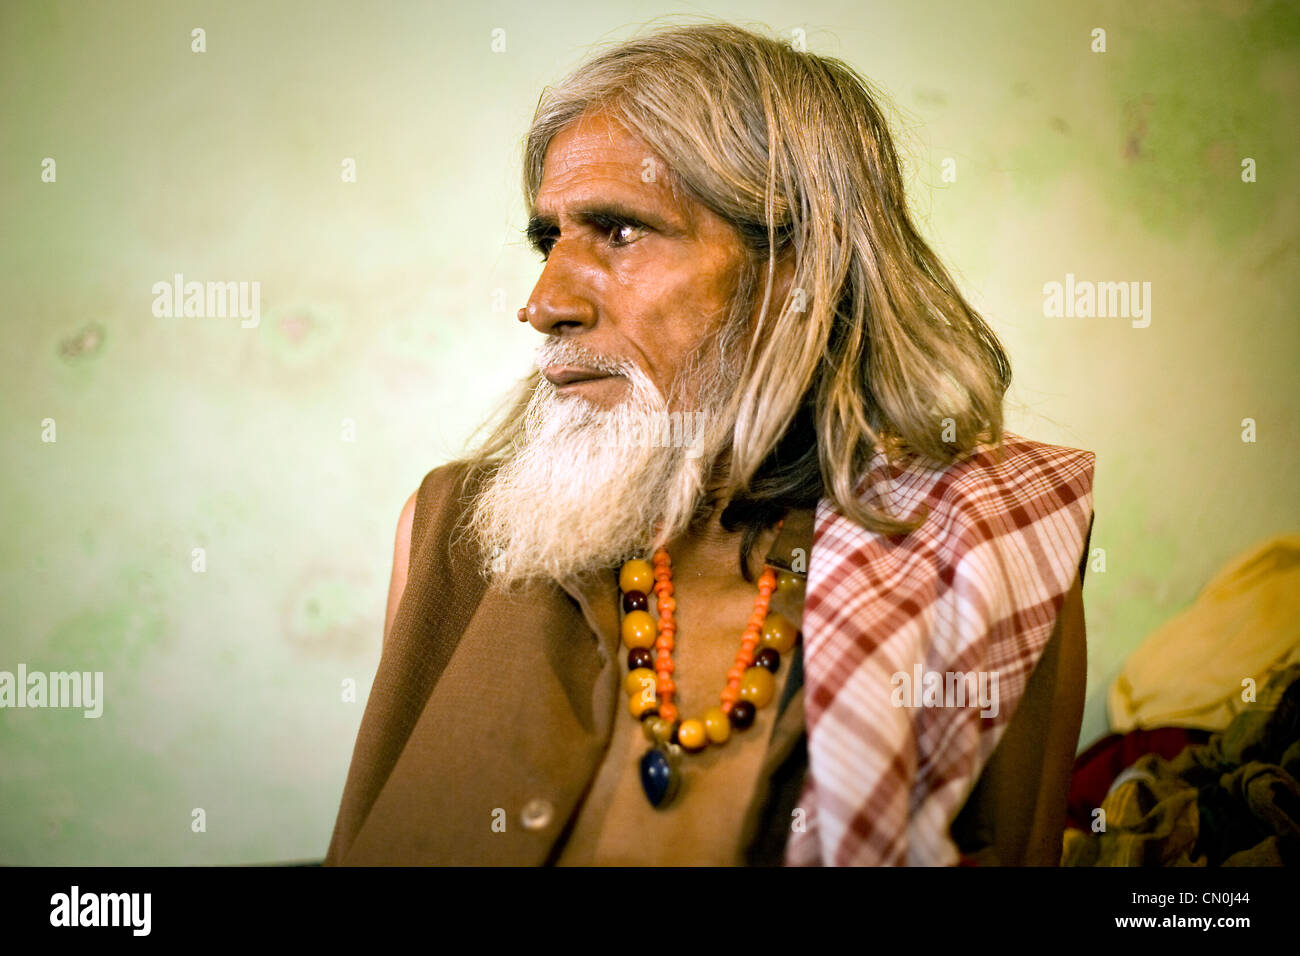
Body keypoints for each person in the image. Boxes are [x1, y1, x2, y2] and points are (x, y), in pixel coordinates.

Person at [324, 21, 1095, 866]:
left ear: (798, 269)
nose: (543, 303)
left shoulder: (985, 543)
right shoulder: (453, 531)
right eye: (550, 241)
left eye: (619, 232)